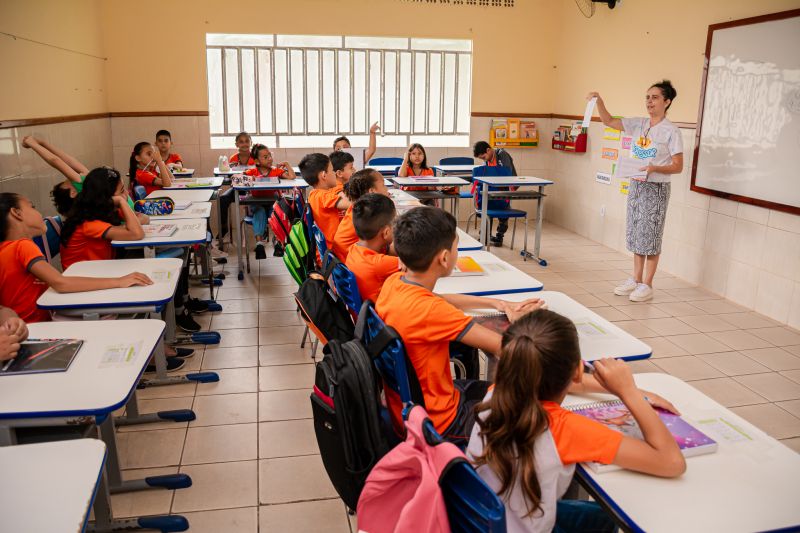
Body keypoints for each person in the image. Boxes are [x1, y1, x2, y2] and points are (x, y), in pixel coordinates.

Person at [467, 309, 685, 532]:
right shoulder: (564, 428)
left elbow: (547, 376)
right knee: (605, 518)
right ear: (579, 370)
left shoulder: (496, 393)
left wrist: (623, 388)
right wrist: (629, 392)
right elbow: (671, 462)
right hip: (521, 525)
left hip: (487, 520)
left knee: (598, 517)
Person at [375, 206, 543, 443]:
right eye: (456, 247)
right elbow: (506, 348)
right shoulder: (433, 312)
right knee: (532, 413)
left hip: (408, 406)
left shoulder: (395, 282)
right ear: (444, 258)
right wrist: (524, 324)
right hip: (441, 421)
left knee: (497, 390)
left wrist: (498, 303)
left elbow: (441, 300)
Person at [587, 81, 683, 302]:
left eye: (655, 97)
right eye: (647, 97)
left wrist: (654, 168)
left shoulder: (671, 131)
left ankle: (647, 284)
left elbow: (678, 166)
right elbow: (608, 121)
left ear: (667, 102)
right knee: (636, 233)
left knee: (651, 236)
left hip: (656, 188)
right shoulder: (639, 124)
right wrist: (599, 102)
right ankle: (636, 279)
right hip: (637, 185)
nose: (649, 101)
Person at [0, 192, 152, 323]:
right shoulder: (22, 246)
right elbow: (61, 283)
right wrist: (119, 281)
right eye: (32, 207)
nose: (38, 212)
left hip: (28, 328)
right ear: (16, 213)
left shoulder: (6, 249)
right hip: (39, 329)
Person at [20, 136, 140, 217]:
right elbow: (56, 161)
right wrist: (32, 143)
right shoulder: (90, 189)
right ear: (74, 192)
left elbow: (70, 161)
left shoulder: (97, 186)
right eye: (69, 180)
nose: (79, 175)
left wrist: (43, 143)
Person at [243, 144, 296, 259]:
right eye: (265, 157)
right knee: (260, 212)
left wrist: (286, 164)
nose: (270, 159)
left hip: (272, 204)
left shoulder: (276, 171)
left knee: (276, 213)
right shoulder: (252, 172)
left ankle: (278, 242)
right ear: (256, 160)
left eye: (270, 156)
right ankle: (259, 245)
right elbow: (240, 179)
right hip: (257, 203)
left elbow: (291, 176)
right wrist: (248, 179)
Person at [345, 193, 399, 303]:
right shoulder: (380, 264)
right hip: (381, 318)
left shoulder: (353, 249)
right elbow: (418, 262)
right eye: (395, 223)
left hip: (364, 315)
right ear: (386, 232)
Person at [333, 168, 389, 261]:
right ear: (372, 192)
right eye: (384, 185)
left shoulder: (358, 207)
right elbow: (388, 237)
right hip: (349, 262)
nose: (387, 189)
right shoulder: (368, 214)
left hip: (343, 260)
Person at [300, 153, 351, 252]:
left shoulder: (314, 194)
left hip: (326, 249)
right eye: (332, 170)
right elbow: (349, 204)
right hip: (333, 251)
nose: (335, 173)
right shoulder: (323, 196)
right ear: (324, 175)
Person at [473, 141, 518, 246]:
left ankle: (499, 235)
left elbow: (505, 172)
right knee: (488, 208)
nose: (484, 160)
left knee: (503, 211)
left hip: (505, 187)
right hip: (492, 188)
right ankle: (486, 233)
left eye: (483, 157)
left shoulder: (502, 154)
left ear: (488, 150)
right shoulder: (487, 160)